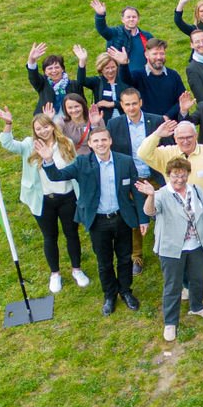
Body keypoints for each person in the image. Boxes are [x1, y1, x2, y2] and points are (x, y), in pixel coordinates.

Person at [36, 121, 145, 315]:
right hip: (98, 221)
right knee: (104, 262)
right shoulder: (82, 162)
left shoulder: (125, 161)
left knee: (125, 259)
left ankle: (126, 291)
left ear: (110, 141)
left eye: (104, 139)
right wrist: (48, 161)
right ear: (91, 144)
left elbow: (136, 191)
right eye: (96, 141)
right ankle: (109, 295)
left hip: (122, 218)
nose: (101, 144)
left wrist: (143, 218)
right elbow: (56, 176)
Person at [0, 108, 90, 297]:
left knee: (72, 234)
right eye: (39, 129)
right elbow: (7, 144)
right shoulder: (30, 145)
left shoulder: (66, 143)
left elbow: (75, 169)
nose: (43, 131)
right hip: (43, 200)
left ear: (53, 127)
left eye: (46, 127)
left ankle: (76, 269)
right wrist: (8, 124)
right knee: (50, 236)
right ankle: (55, 274)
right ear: (34, 131)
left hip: (67, 198)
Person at [136, 155, 203, 343]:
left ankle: (197, 306)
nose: (179, 180)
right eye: (174, 176)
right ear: (168, 175)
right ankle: (170, 322)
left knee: (197, 280)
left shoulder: (197, 191)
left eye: (182, 175)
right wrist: (150, 195)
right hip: (171, 249)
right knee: (172, 286)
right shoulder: (162, 194)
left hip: (197, 246)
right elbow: (150, 212)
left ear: (188, 174)